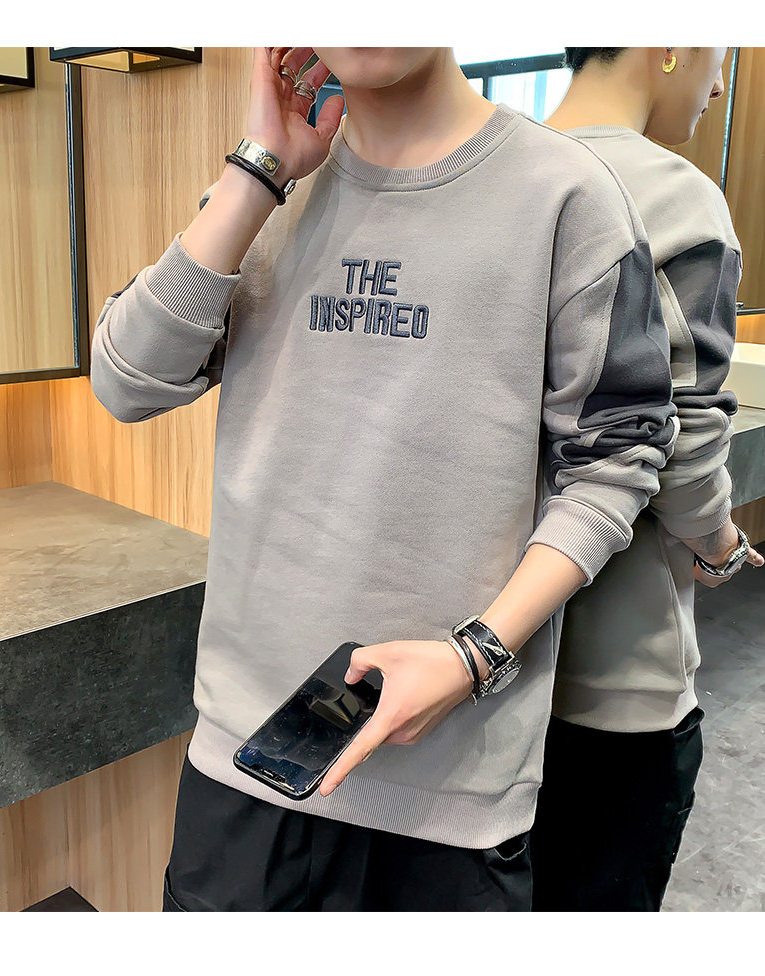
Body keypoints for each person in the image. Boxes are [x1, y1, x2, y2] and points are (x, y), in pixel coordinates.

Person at [90, 46, 677, 912]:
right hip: (247, 763)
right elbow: (127, 381)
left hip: (452, 792)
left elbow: (617, 460)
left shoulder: (568, 196)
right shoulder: (266, 198)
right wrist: (256, 172)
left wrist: (475, 655)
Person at [530, 46, 765, 912]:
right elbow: (685, 447)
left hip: (476, 676)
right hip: (614, 679)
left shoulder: (488, 171)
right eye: (720, 54)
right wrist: (724, 544)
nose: (718, 84)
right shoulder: (677, 198)